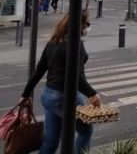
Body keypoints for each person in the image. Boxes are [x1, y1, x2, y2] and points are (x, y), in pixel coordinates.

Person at [21, 10, 101, 154]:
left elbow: (39, 70)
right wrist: (92, 94)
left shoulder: (54, 41)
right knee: (86, 131)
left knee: (51, 141)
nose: (87, 27)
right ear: (80, 26)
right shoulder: (76, 45)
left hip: (49, 95)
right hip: (65, 96)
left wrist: (26, 93)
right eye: (86, 24)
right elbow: (75, 77)